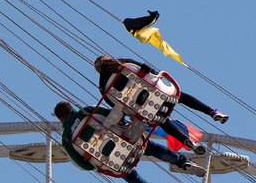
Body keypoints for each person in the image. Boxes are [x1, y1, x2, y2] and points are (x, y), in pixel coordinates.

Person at [53, 101, 186, 183]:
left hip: (110, 160)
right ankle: (182, 162)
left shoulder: (66, 139)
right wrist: (123, 124)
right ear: (71, 108)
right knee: (150, 147)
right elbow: (112, 115)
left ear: (61, 119)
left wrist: (94, 166)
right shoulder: (86, 111)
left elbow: (81, 164)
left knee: (132, 177)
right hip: (122, 141)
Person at [92, 54, 229, 137]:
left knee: (161, 120)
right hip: (156, 92)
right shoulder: (124, 63)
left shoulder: (103, 87)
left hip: (144, 107)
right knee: (180, 96)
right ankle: (211, 112)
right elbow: (149, 70)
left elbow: (116, 107)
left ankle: (185, 140)